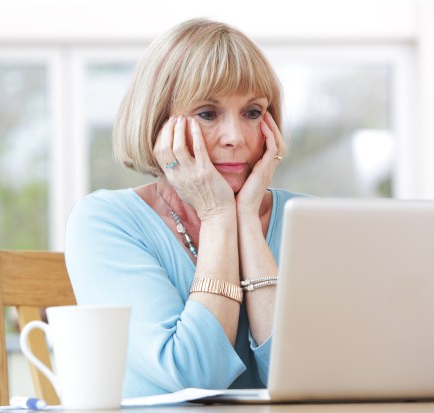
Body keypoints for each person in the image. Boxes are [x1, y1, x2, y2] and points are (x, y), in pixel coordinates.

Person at [65, 18, 306, 397]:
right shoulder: (104, 221)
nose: (236, 138)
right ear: (159, 122)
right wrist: (217, 216)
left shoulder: (306, 220)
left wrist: (243, 218)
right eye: (208, 114)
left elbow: (308, 382)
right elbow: (189, 380)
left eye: (253, 112)